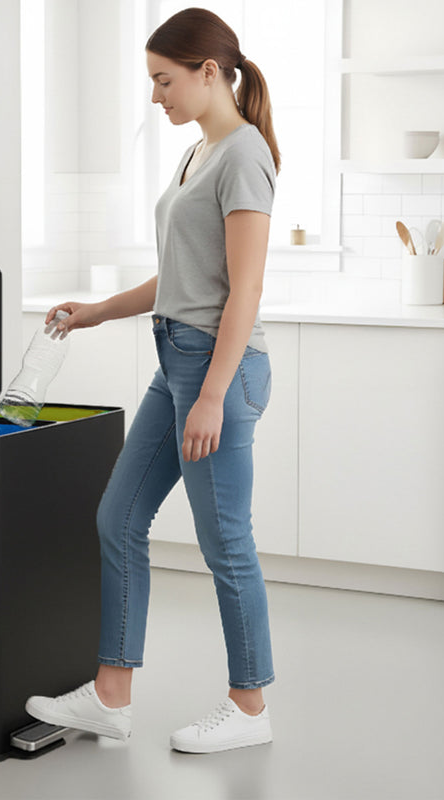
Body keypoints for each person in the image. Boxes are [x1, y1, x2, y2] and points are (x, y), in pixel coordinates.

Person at [26, 7, 281, 754]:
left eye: (164, 80)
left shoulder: (244, 156)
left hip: (216, 372)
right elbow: (181, 275)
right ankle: (111, 697)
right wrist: (97, 311)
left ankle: (250, 704)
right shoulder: (198, 154)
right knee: (118, 518)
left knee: (225, 541)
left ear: (209, 72)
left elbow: (246, 290)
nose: (154, 96)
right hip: (178, 362)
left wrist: (210, 396)